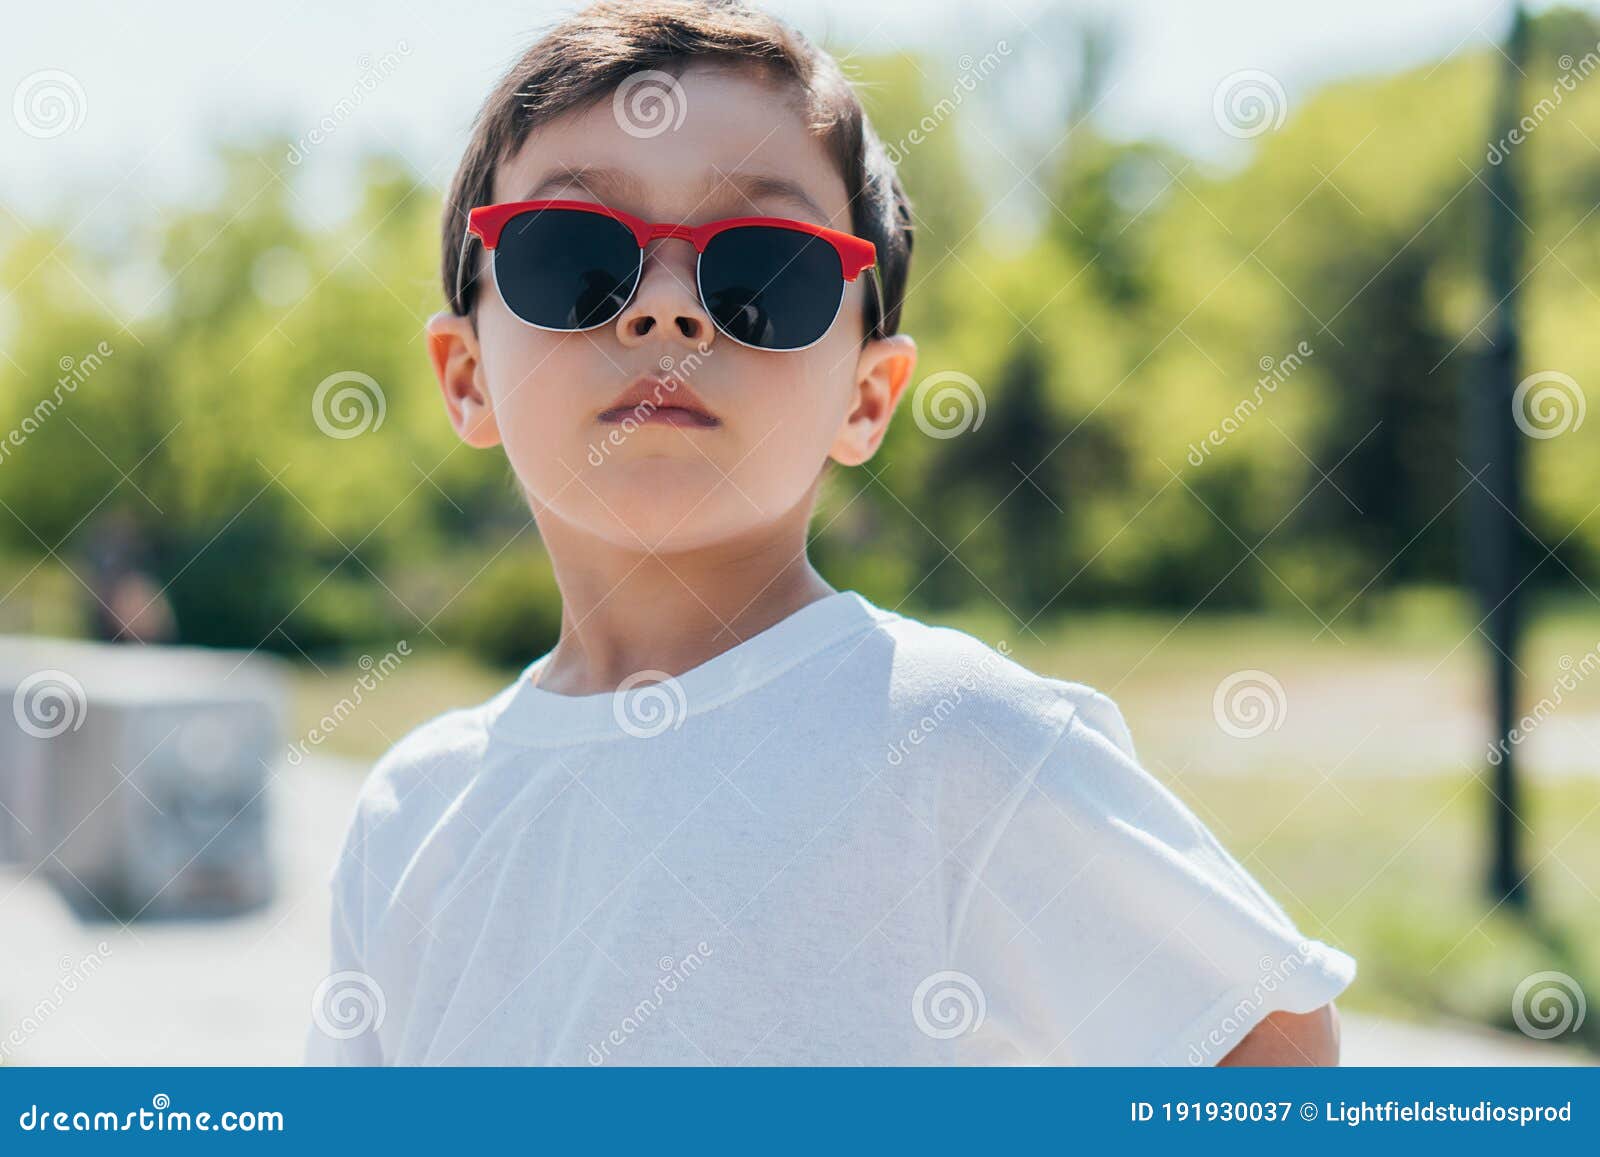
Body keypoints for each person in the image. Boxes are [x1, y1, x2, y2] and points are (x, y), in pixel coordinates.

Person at [305, 0, 1353, 1066]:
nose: (666, 312)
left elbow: (1269, 1034)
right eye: (573, 256)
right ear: (466, 377)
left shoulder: (957, 740)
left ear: (867, 395)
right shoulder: (410, 812)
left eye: (763, 272)